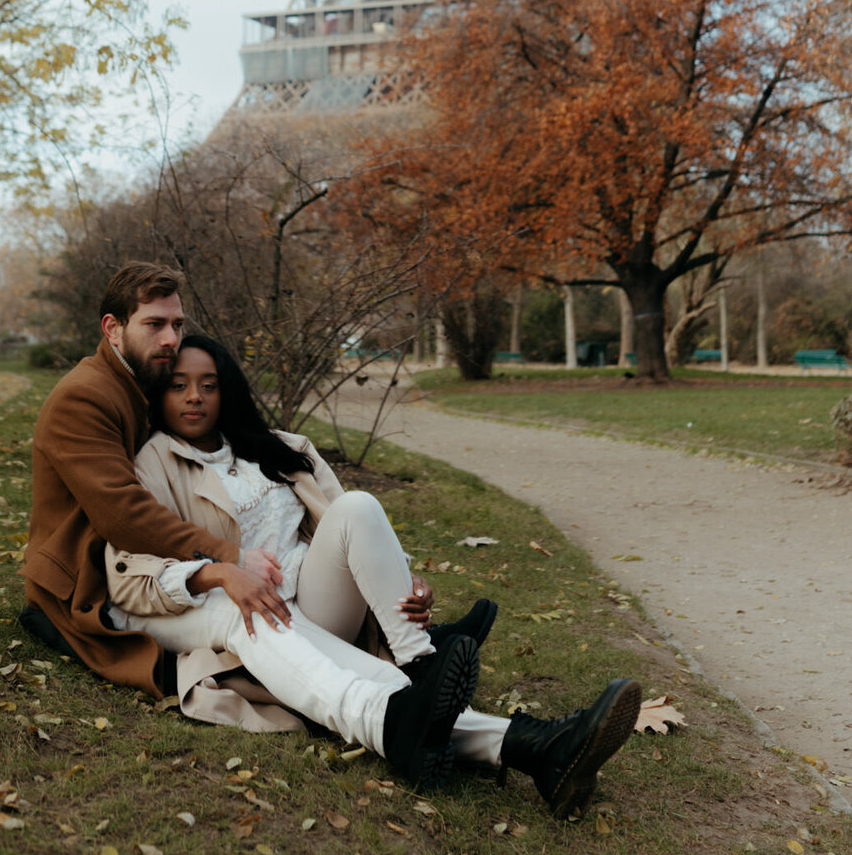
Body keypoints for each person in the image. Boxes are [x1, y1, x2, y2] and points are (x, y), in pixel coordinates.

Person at [105, 333, 643, 818]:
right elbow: (131, 572)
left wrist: (404, 584)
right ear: (161, 394)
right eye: (178, 386)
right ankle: (538, 746)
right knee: (356, 677)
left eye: (208, 385)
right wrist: (221, 572)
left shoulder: (282, 449)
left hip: (313, 601)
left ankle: (420, 657)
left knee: (359, 505)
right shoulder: (154, 461)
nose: (194, 396)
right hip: (239, 613)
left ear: (228, 391)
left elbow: (353, 529)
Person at [21, 261, 480, 771]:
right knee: (259, 618)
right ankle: (404, 712)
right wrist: (227, 562)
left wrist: (394, 577)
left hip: (180, 567)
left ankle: (425, 670)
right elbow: (125, 516)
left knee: (344, 526)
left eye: (177, 324)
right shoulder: (86, 396)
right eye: (154, 324)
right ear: (113, 328)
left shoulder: (145, 382)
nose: (170, 338)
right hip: (92, 580)